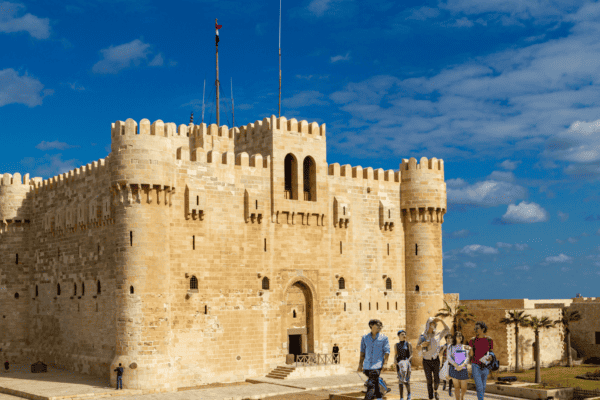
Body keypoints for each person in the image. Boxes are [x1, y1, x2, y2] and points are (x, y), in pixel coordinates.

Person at [416, 317, 450, 400]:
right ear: (428, 324)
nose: (433, 325)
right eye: (431, 323)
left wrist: (441, 320)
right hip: (426, 361)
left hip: (435, 360)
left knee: (437, 379)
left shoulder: (438, 334)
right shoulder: (422, 336)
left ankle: (435, 391)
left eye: (434, 324)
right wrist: (421, 345)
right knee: (429, 380)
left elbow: (447, 329)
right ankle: (430, 396)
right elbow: (417, 347)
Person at [358, 319, 391, 400]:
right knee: (375, 383)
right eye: (378, 325)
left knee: (371, 384)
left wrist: (385, 363)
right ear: (371, 326)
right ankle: (379, 397)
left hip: (377, 366)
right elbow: (362, 352)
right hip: (366, 366)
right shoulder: (365, 338)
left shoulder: (384, 338)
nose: (380, 327)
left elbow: (387, 351)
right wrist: (360, 365)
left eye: (381, 326)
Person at [468, 322, 494, 400]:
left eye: (477, 328)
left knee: (483, 386)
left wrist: (490, 357)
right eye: (475, 328)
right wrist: (470, 349)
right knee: (479, 386)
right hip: (475, 365)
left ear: (483, 329)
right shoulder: (472, 340)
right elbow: (471, 354)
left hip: (485, 365)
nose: (475, 329)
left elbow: (491, 352)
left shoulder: (489, 340)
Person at [447, 331, 471, 400]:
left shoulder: (465, 347)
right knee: (456, 386)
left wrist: (462, 365)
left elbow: (467, 357)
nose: (459, 337)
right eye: (458, 335)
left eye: (460, 335)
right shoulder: (451, 346)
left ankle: (462, 397)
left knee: (464, 386)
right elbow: (449, 357)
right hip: (454, 368)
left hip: (463, 368)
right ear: (455, 337)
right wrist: (456, 365)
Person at [390, 329, 412, 400]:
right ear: (399, 336)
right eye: (402, 334)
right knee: (400, 381)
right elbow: (396, 354)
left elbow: (411, 355)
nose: (404, 335)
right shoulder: (396, 345)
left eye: (405, 334)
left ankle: (409, 394)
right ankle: (401, 397)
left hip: (407, 363)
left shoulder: (408, 344)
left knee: (407, 380)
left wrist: (408, 361)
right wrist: (394, 361)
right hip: (399, 364)